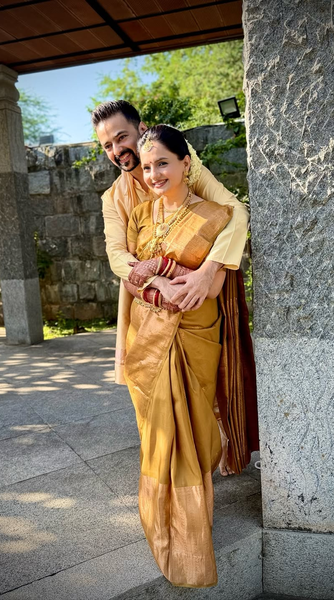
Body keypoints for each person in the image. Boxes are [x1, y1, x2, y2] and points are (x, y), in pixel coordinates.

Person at [107, 123, 257, 588]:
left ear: (185, 163)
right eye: (147, 165)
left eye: (162, 163)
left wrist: (199, 272)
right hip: (146, 331)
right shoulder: (132, 211)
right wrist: (157, 279)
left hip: (194, 331)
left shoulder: (211, 209)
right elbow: (124, 263)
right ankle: (171, 519)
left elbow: (220, 261)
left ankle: (191, 509)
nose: (152, 172)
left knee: (196, 428)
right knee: (160, 428)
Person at [92, 101, 250, 398]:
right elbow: (116, 255)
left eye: (122, 137)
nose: (117, 150)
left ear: (141, 130)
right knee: (152, 394)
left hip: (196, 294)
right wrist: (159, 282)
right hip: (147, 299)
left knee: (205, 392)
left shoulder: (182, 165)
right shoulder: (113, 198)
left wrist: (207, 272)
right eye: (107, 146)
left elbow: (236, 211)